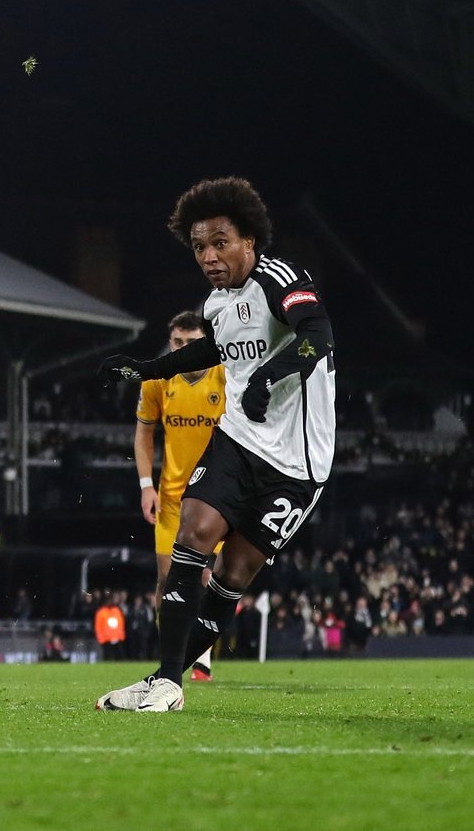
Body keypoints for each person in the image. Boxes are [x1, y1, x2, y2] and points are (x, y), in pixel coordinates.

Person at [98, 177, 335, 712]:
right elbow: (208, 354)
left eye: (220, 242)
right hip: (238, 439)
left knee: (235, 573)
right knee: (196, 531)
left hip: (299, 463)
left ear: (249, 240)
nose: (209, 255)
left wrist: (265, 379)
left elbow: (317, 335)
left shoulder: (281, 278)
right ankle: (166, 683)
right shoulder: (215, 305)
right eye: (200, 246)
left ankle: (165, 678)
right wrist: (147, 367)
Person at [134, 310, 226, 681]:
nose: (184, 349)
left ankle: (201, 654)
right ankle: (170, 651)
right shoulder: (158, 378)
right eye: (178, 343)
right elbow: (143, 434)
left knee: (204, 577)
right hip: (172, 498)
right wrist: (145, 486)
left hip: (215, 495)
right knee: (165, 576)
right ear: (170, 342)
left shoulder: (225, 374)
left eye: (192, 342)